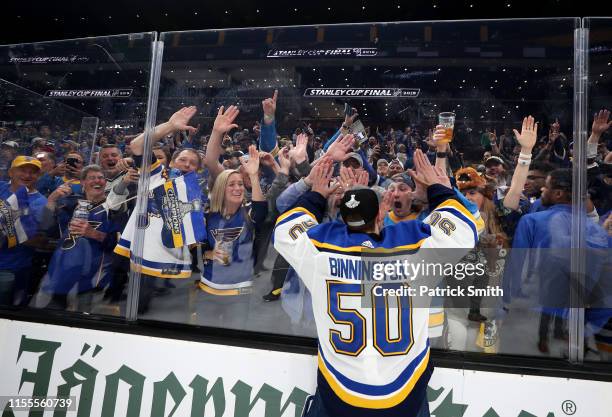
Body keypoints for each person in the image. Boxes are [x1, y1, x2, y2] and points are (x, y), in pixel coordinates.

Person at [274, 149, 479, 417]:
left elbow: (285, 230)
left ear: (344, 219)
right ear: (380, 216)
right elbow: (465, 228)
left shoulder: (320, 250)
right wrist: (437, 189)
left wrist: (316, 194)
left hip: (339, 395)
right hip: (404, 396)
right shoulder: (417, 247)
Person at [0, 156, 47, 305]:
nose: (27, 176)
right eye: (22, 170)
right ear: (10, 172)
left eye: (33, 172)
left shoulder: (41, 203)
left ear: (39, 176)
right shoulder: (1, 187)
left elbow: (40, 241)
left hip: (10, 268)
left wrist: (7, 232)